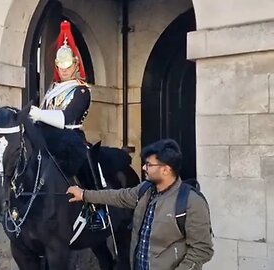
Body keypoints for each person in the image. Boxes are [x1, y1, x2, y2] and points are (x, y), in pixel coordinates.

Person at [67, 139, 214, 270]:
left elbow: (202, 250)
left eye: (149, 164)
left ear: (166, 169)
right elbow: (118, 196)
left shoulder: (191, 202)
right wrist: (84, 194)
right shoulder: (145, 190)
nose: (143, 168)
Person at [28, 20, 107, 231]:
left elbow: (67, 118)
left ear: (75, 65)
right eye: (60, 66)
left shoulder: (81, 91)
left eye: (67, 65)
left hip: (70, 139)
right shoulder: (52, 89)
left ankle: (98, 210)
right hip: (47, 139)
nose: (63, 70)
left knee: (86, 165)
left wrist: (38, 113)